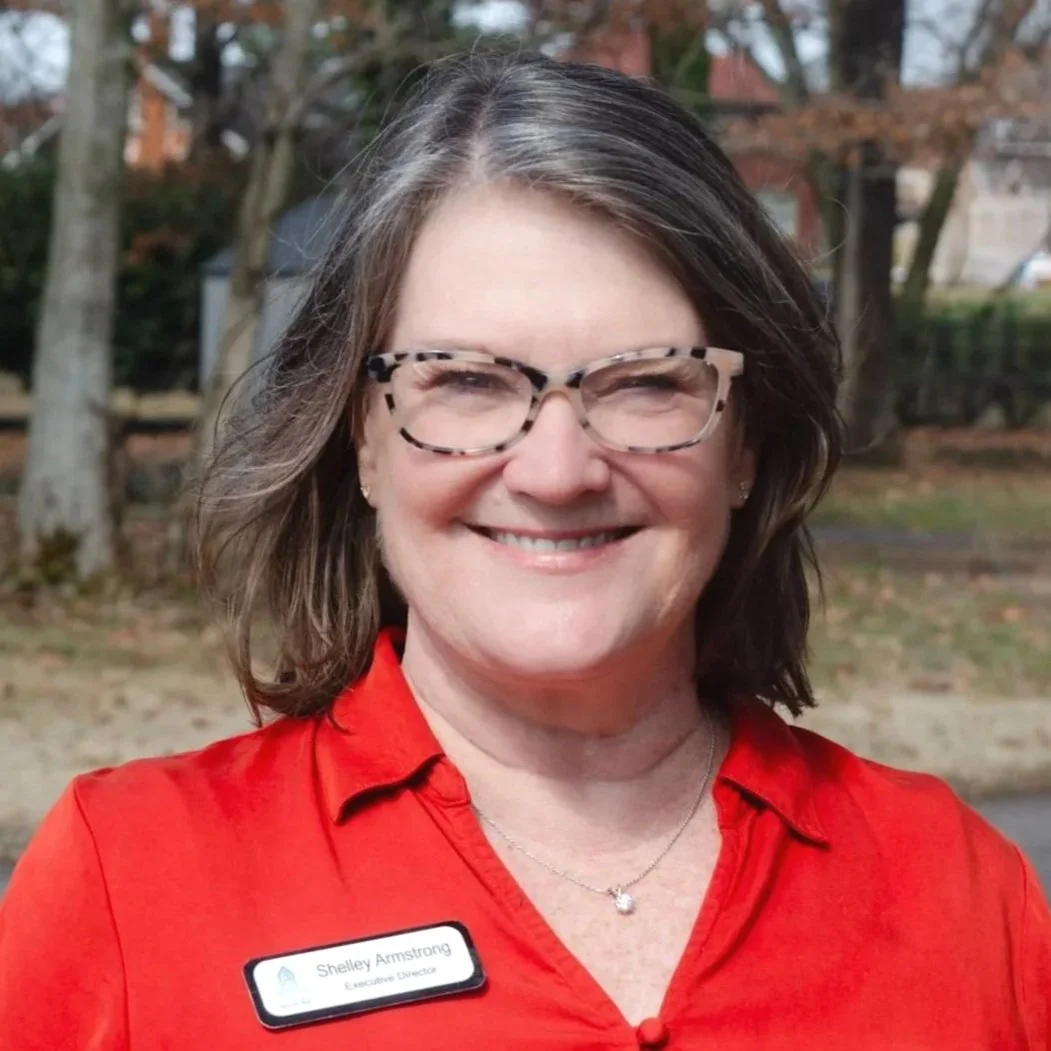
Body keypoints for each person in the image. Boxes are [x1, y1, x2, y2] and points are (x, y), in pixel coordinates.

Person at [1, 50, 1048, 1050]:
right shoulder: (129, 883)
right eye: (466, 381)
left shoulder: (957, 891)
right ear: (361, 439)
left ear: (743, 442)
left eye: (647, 382)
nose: (556, 470)